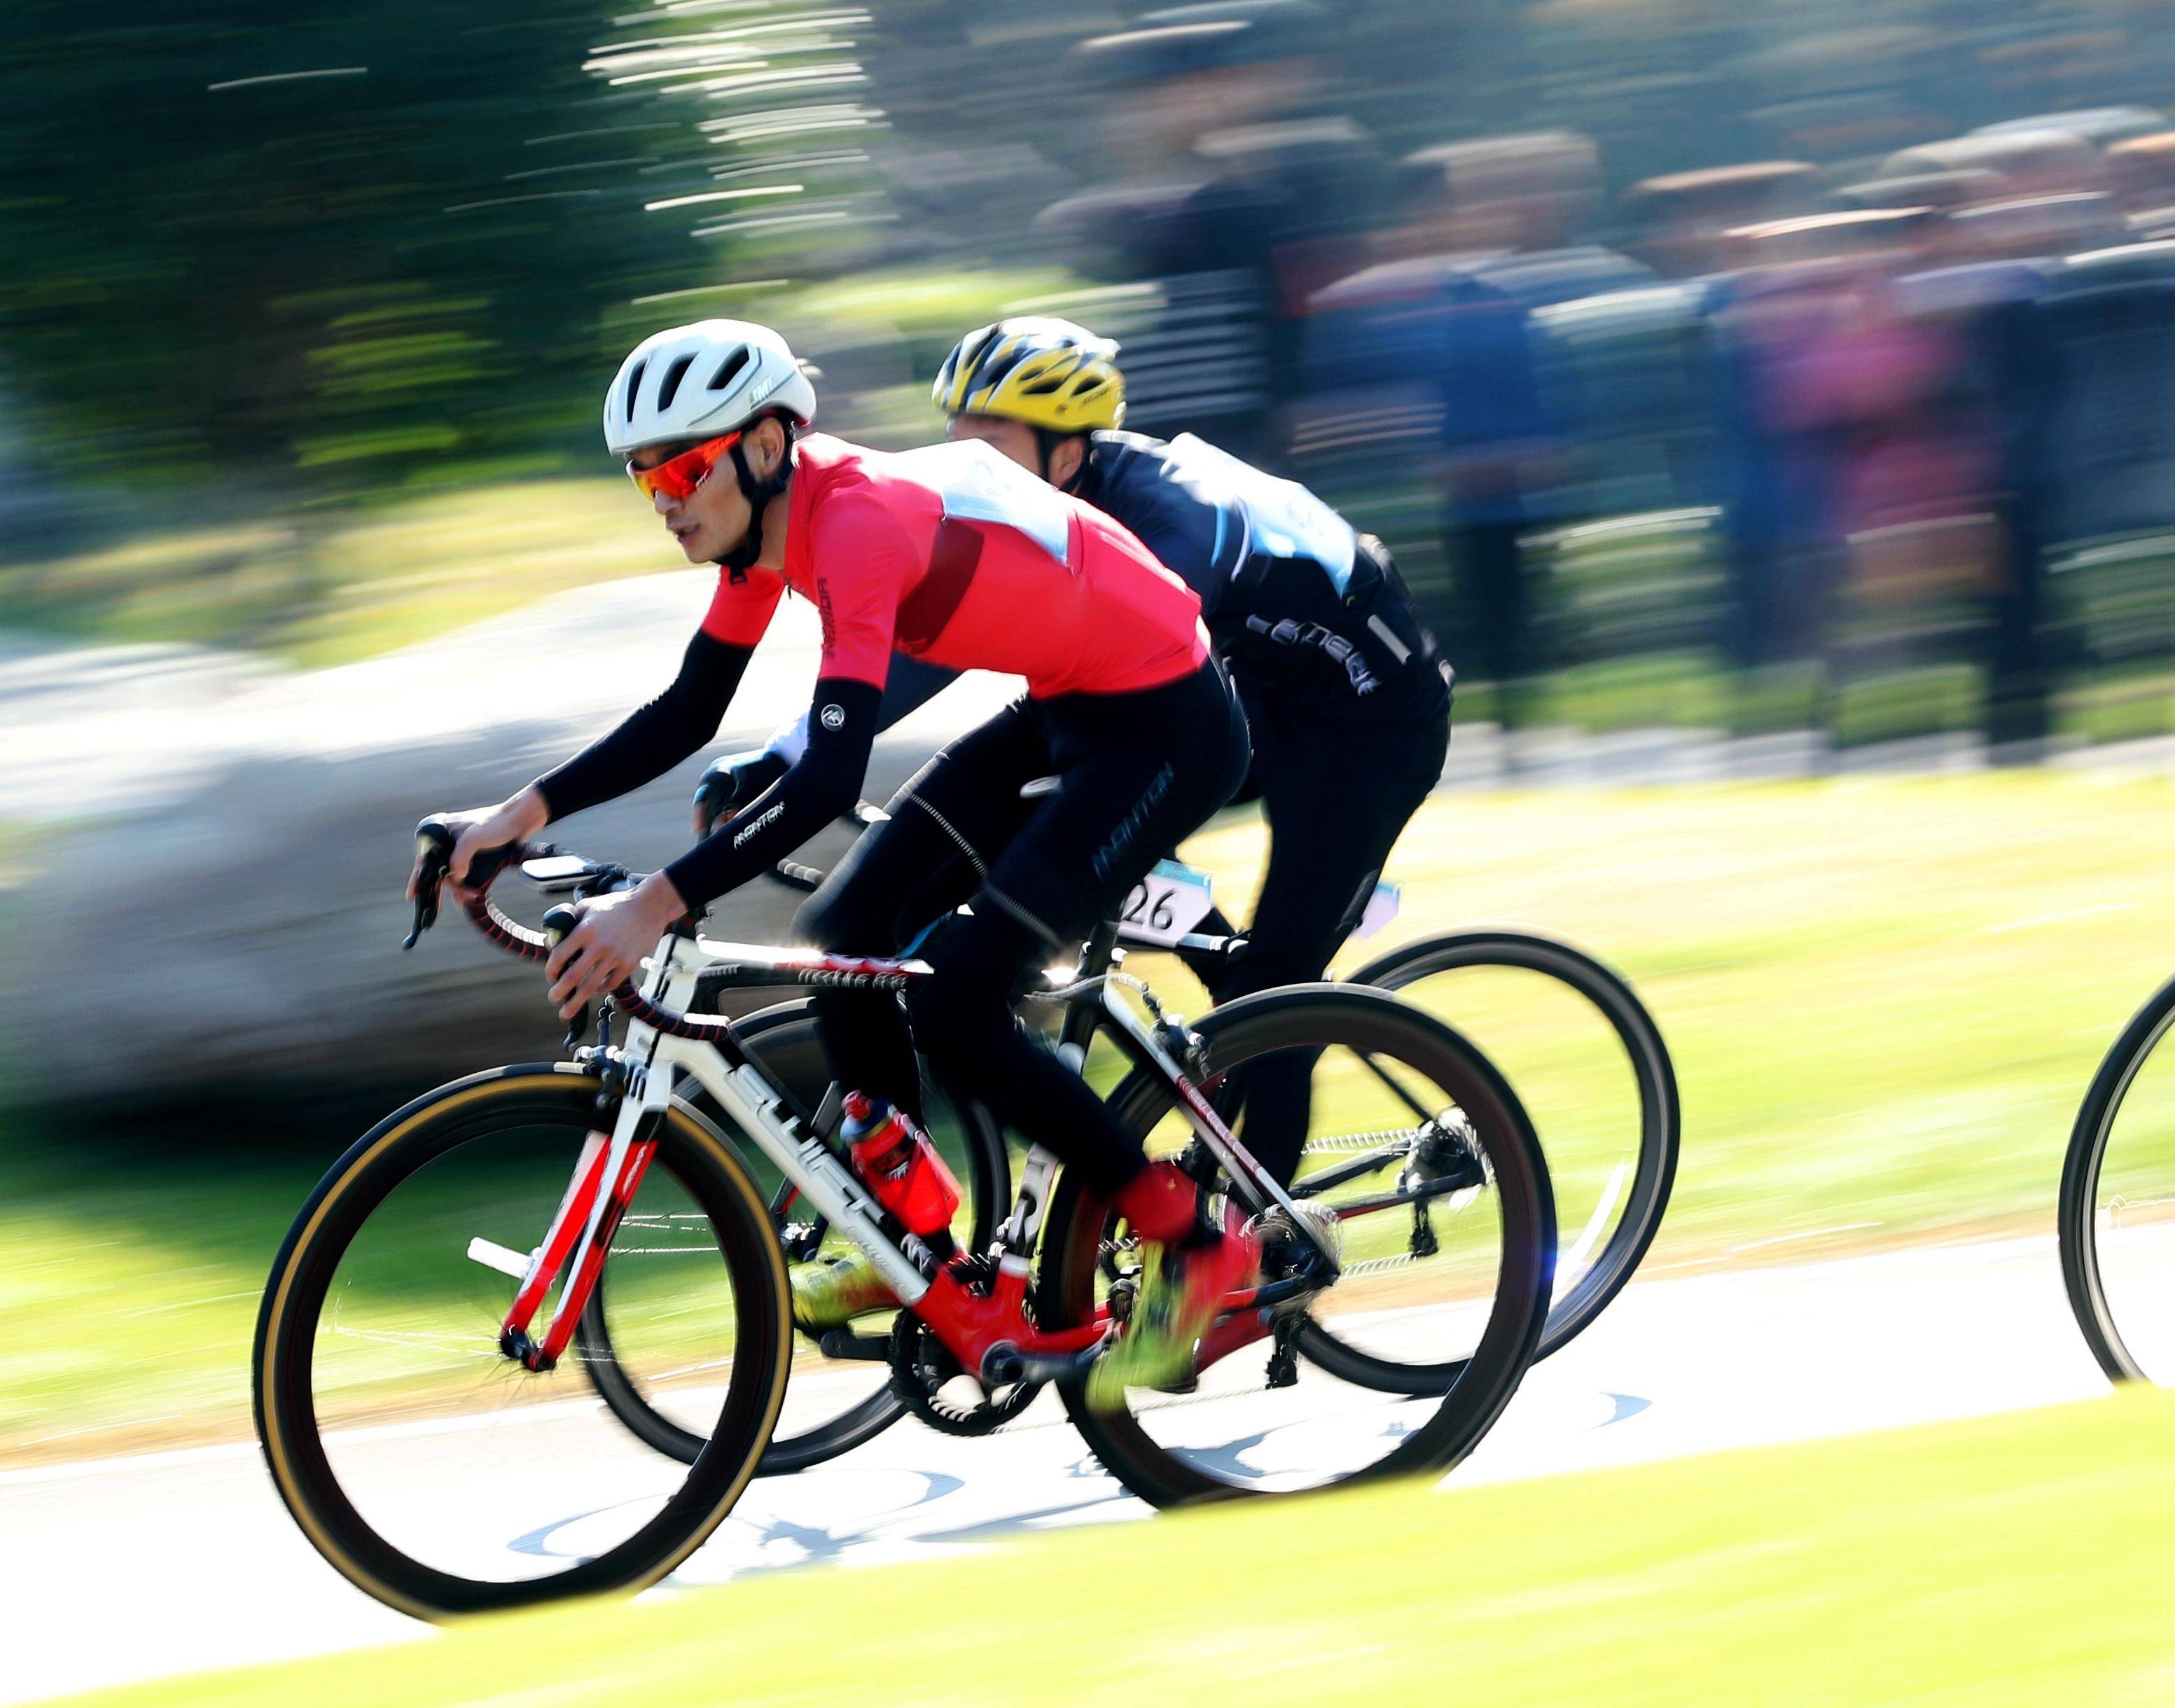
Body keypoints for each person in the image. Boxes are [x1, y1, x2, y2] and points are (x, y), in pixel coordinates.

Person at [412, 319, 1252, 1402]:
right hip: (1065, 704)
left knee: (958, 995)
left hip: (1165, 725)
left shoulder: (850, 522)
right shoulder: (770, 532)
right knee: (837, 940)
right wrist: (512, 813)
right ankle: (904, 1229)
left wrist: (657, 904)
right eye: (643, 479)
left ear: (766, 446)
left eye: (682, 467)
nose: (666, 497)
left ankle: (1192, 1238)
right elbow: (686, 709)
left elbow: (821, 781)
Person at [711, 317, 1453, 1191]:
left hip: (1360, 720)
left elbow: (1163, 688)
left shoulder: (1174, 512)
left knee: (1269, 978)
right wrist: (793, 747)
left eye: (988, 438)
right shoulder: (1024, 503)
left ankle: (1266, 1231)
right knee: (1020, 855)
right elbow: (930, 637)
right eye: (955, 433)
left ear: (1068, 455)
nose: (964, 458)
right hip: (1236, 695)